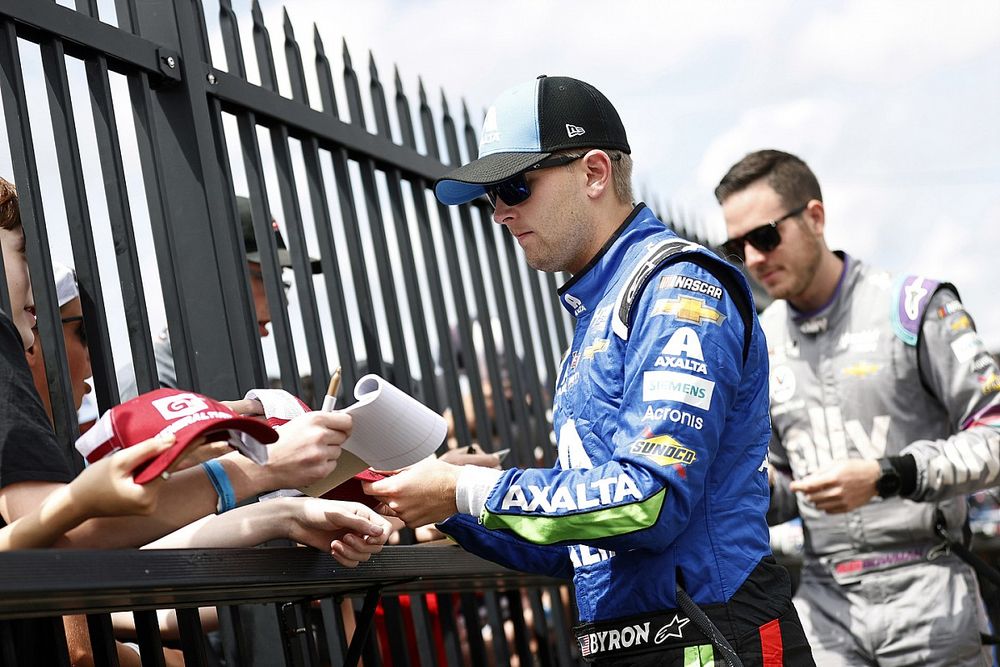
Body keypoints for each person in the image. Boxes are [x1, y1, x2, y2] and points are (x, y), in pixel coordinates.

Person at [365, 75, 813, 665]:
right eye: (491, 196)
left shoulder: (677, 286)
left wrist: (466, 489)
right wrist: (449, 506)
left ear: (595, 173)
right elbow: (580, 546)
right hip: (634, 642)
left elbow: (646, 502)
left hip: (714, 634)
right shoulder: (599, 309)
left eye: (515, 186)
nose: (500, 212)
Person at [715, 149, 1000, 666]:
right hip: (826, 602)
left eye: (765, 236)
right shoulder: (760, 341)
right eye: (737, 247)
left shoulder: (912, 307)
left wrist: (889, 474)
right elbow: (780, 475)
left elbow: (995, 433)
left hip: (930, 589)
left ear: (815, 217)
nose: (753, 258)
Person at [118, 195, 320, 398]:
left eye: (281, 283)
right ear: (212, 275)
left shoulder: (233, 378)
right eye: (267, 279)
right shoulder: (148, 389)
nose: (283, 302)